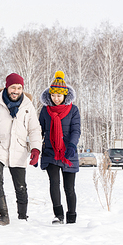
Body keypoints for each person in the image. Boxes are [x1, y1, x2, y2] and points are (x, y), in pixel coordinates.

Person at [0, 73, 42, 225]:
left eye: (19, 88)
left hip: (18, 149)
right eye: (13, 87)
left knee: (21, 186)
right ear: (7, 87)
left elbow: (34, 129)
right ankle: (4, 216)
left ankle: (22, 217)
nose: (16, 91)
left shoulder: (27, 106)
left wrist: (36, 149)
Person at [38, 71, 81, 224]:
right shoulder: (45, 110)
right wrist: (36, 149)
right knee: (54, 183)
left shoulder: (73, 110)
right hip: (50, 152)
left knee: (69, 187)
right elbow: (39, 131)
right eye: (53, 95)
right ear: (50, 95)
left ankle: (71, 217)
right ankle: (58, 215)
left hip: (68, 152)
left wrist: (71, 145)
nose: (56, 98)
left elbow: (76, 130)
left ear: (65, 95)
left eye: (59, 95)